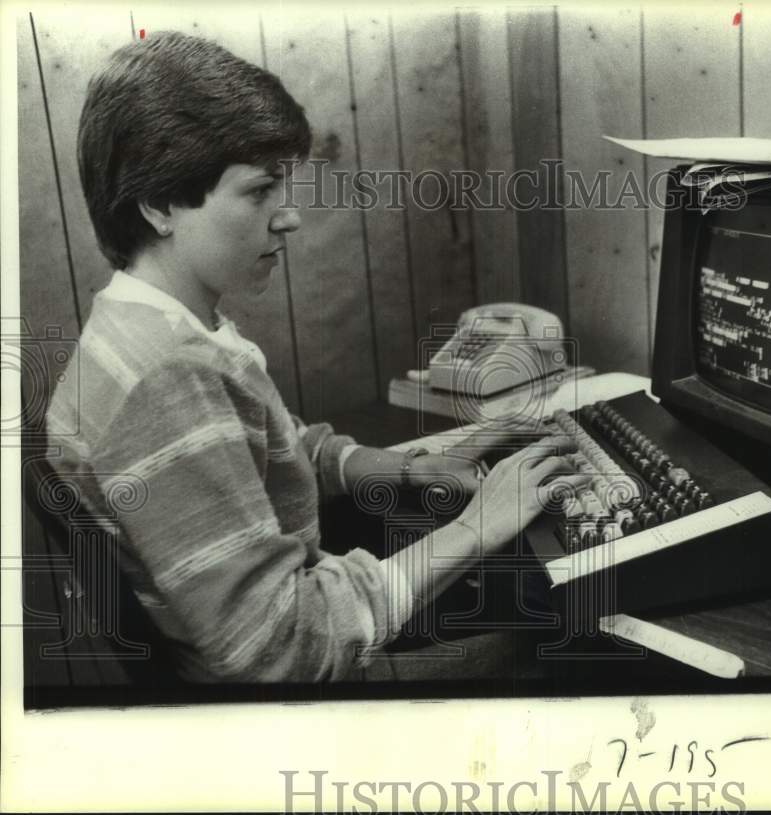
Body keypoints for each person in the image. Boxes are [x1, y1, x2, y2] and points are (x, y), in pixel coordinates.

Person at [45, 30, 588, 683]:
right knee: (563, 633)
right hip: (286, 691)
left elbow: (273, 450)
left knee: (512, 579)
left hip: (274, 629)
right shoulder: (169, 377)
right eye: (259, 190)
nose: (289, 216)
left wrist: (410, 466)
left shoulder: (140, 328)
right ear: (159, 204)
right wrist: (481, 522)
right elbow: (279, 646)